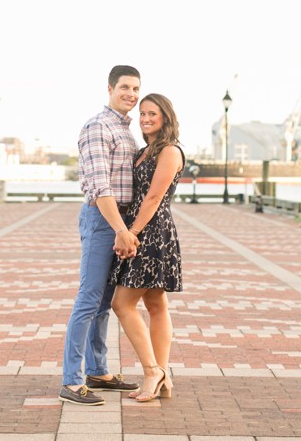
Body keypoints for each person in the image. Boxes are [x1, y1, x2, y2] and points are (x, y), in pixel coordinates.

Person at [59, 65, 143, 406]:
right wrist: (121, 230)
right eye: (125, 87)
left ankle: (97, 370)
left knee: (104, 303)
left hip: (120, 222)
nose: (132, 94)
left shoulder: (125, 130)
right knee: (89, 299)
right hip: (103, 220)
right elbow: (99, 186)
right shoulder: (98, 126)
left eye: (136, 89)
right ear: (110, 88)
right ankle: (71, 380)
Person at [109, 93, 184, 402]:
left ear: (165, 117)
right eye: (142, 114)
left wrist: (132, 233)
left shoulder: (170, 151)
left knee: (122, 304)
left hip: (152, 233)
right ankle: (162, 374)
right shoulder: (143, 151)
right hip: (142, 229)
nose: (145, 118)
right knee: (155, 305)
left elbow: (153, 197)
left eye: (152, 113)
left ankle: (152, 370)